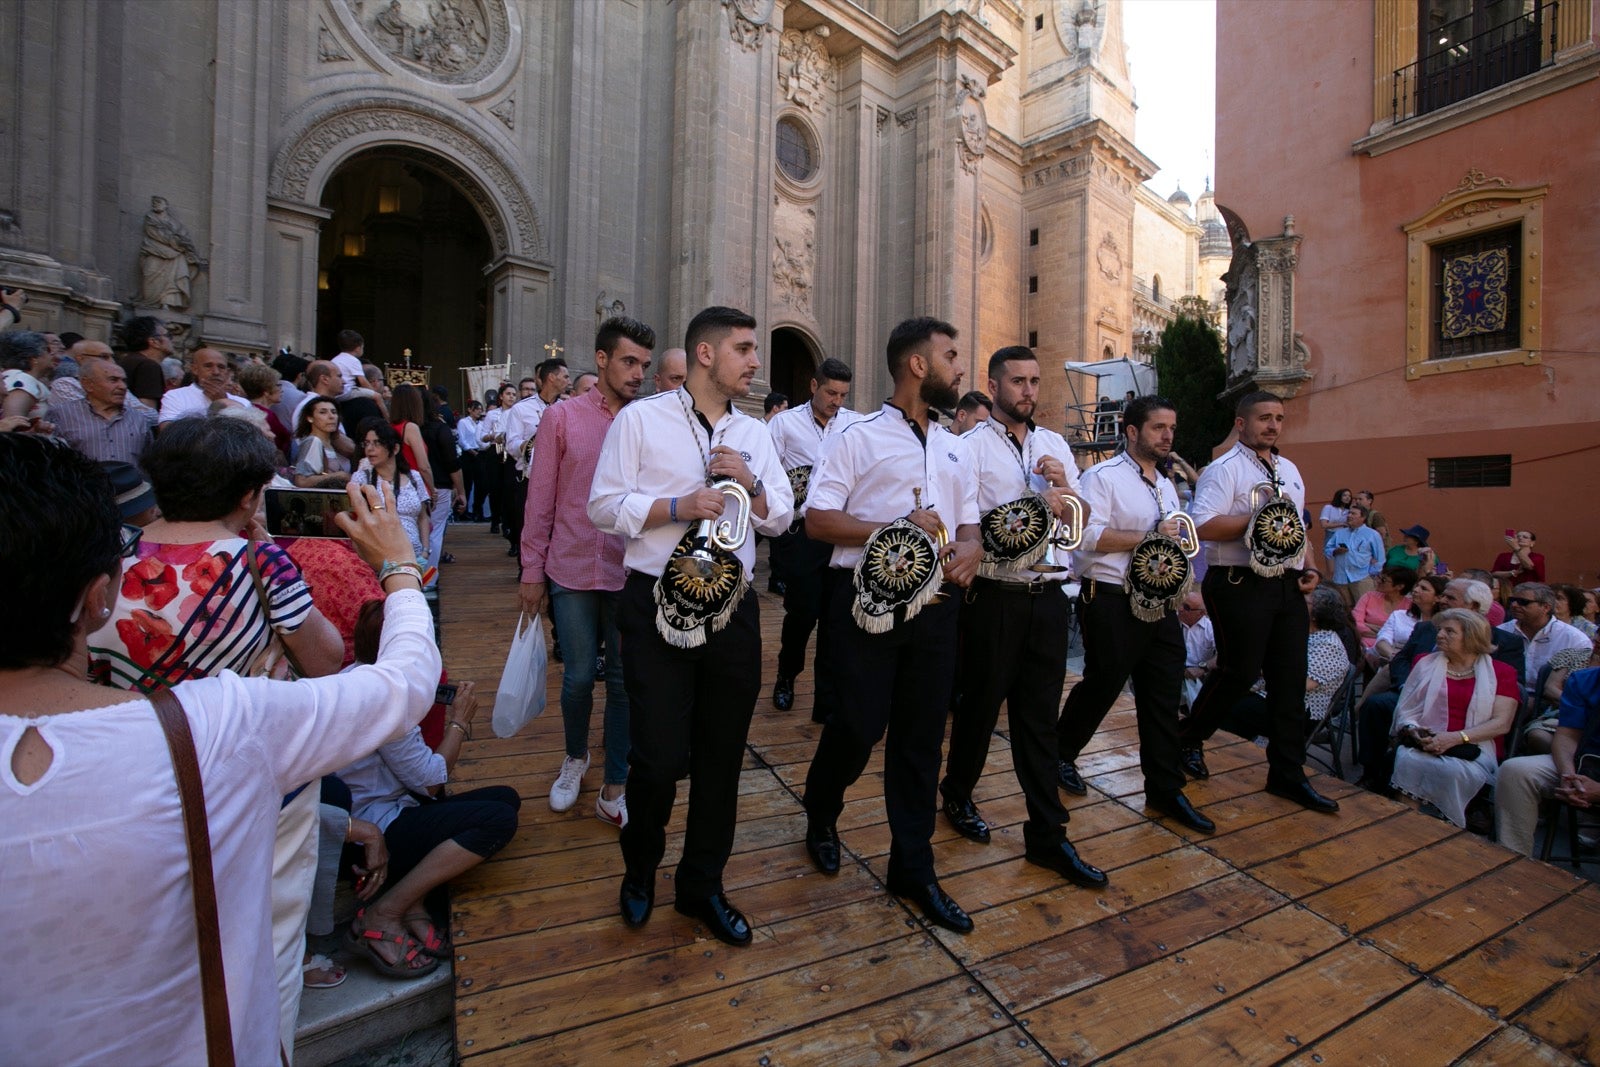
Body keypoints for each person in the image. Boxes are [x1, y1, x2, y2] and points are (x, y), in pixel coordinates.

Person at [0, 436, 437, 1064]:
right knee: (269, 938)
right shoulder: (258, 580)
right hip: (223, 764)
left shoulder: (126, 555)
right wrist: (398, 565)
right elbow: (337, 662)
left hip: (124, 749)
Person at [588, 306, 792, 946]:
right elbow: (602, 506)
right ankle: (640, 872)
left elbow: (781, 516)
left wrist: (750, 482)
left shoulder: (756, 432)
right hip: (654, 602)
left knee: (722, 757)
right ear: (705, 355)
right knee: (655, 757)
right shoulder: (641, 419)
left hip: (732, 606)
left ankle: (702, 885)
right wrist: (679, 505)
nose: (755, 361)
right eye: (744, 349)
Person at [801, 316, 984, 934]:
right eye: (951, 356)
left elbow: (969, 522)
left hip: (938, 614)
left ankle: (914, 867)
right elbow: (819, 520)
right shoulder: (857, 437)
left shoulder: (956, 444)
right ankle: (821, 811)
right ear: (917, 365)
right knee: (857, 727)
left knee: (920, 742)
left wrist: (973, 547)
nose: (961, 367)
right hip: (867, 607)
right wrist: (894, 530)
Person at [944, 348, 1104, 867]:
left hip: (1050, 597)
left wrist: (1062, 486)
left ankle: (1048, 836)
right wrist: (1036, 505)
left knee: (1039, 719)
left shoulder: (1054, 443)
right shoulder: (968, 448)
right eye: (1018, 382)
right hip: (995, 596)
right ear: (994, 387)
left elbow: (1079, 522)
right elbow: (968, 528)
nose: (1029, 392)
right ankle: (957, 792)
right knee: (981, 704)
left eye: (1035, 381)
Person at [1057, 394, 1214, 838]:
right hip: (1109, 597)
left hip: (1160, 601)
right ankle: (1060, 752)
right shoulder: (1102, 477)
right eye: (1158, 428)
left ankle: (1164, 788)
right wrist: (1148, 535)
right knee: (1103, 685)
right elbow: (1084, 538)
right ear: (1131, 432)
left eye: (1171, 429)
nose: (1167, 436)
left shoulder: (1165, 484)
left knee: (1163, 695)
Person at [1176, 391, 1339, 813]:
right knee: (1238, 670)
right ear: (1241, 423)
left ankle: (1287, 773)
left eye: (1279, 418)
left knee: (1289, 677)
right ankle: (1187, 738)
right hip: (1237, 580)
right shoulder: (1223, 469)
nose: (1273, 425)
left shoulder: (1289, 469)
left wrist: (1311, 566)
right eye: (1264, 417)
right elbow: (1202, 525)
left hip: (1284, 583)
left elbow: (1296, 527)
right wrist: (1257, 521)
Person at [337, 603, 519, 977]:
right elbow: (432, 780)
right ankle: (385, 912)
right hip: (371, 833)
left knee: (506, 798)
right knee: (497, 820)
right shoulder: (386, 701)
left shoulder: (358, 675)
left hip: (385, 808)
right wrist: (459, 723)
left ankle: (416, 901)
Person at [523, 317, 655, 826]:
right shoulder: (561, 418)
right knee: (578, 677)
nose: (638, 373)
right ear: (601, 359)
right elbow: (541, 499)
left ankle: (616, 779)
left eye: (644, 364)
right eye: (629, 361)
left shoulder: (646, 421)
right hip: (572, 565)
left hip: (628, 568)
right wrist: (532, 570)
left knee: (623, 681)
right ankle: (575, 758)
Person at [1356, 578, 1525, 792]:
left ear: (1473, 606)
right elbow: (1401, 660)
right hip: (1414, 694)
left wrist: (1456, 738)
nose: (1442, 600)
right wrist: (1408, 689)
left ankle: (1470, 805)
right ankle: (1371, 774)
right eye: (1443, 595)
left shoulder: (1505, 648)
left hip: (1471, 718)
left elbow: (1503, 712)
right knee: (1377, 705)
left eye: (1450, 597)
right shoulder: (1427, 629)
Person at [765, 357, 860, 715]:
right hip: (802, 535)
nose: (837, 400)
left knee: (837, 619)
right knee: (802, 615)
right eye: (831, 392)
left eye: (843, 394)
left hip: (840, 533)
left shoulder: (855, 424)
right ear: (813, 386)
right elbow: (769, 471)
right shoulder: (784, 425)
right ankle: (786, 676)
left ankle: (826, 697)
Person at [1389, 609, 1519, 827]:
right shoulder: (1425, 662)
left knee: (1453, 770)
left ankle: (1445, 831)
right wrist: (1413, 729)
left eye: (1450, 631)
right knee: (1408, 758)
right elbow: (1407, 708)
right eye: (1440, 630)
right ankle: (1406, 828)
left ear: (1471, 636)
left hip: (1474, 746)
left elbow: (1501, 723)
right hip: (1426, 740)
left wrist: (1455, 738)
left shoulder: (1502, 672)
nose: (1440, 635)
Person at [1220, 587, 1358, 740]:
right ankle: (1236, 751)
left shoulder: (1328, 645)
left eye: (1303, 602)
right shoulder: (1298, 632)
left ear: (1316, 614)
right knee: (1224, 695)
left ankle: (1230, 754)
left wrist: (1263, 666)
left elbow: (1298, 685)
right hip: (1273, 696)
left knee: (1231, 708)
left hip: (1299, 710)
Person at [1496, 665, 1600, 855]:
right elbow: (1567, 736)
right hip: (1585, 764)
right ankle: (1512, 861)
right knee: (1516, 772)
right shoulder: (1585, 680)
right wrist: (1568, 775)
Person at [503, 358, 570, 557]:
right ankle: (528, 571)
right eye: (565, 376)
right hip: (529, 478)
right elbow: (511, 445)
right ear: (552, 378)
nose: (568, 380)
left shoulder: (569, 408)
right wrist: (535, 439)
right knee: (529, 526)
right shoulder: (521, 409)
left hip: (560, 480)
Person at [48, 355, 158, 465]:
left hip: (134, 481)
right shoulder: (61, 415)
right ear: (88, 384)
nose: (122, 386)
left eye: (124, 381)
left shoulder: (138, 418)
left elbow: (149, 461)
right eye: (113, 380)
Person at [356, 418, 431, 565]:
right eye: (367, 443)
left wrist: (425, 551)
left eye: (376, 443)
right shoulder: (361, 477)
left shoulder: (414, 477)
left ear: (395, 449)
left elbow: (423, 517)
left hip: (414, 558)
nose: (369, 449)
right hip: (378, 559)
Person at [1499, 582, 1592, 699]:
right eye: (1512, 600)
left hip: (1549, 702)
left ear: (1546, 607)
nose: (1514, 605)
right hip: (1505, 696)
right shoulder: (1501, 631)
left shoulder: (1574, 639)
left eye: (1523, 602)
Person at [418, 387, 464, 565]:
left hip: (412, 485)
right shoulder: (439, 429)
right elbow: (452, 463)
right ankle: (429, 579)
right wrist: (461, 491)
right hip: (439, 485)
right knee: (434, 532)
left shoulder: (407, 429)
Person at [157, 347, 250, 423]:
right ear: (195, 369)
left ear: (227, 372)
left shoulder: (243, 403)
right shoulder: (175, 396)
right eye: (208, 366)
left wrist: (223, 402)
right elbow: (167, 433)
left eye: (221, 367)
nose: (216, 372)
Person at [1373, 573, 1446, 663]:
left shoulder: (1443, 623)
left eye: (1423, 589)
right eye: (1417, 586)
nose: (1415, 590)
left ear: (1438, 598)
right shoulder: (1399, 615)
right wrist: (1394, 656)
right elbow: (1382, 640)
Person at [1324, 503, 1384, 603]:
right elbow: (1327, 549)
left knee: (1364, 608)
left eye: (1353, 514)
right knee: (1344, 610)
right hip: (1340, 578)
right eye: (1349, 513)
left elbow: (1380, 558)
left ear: (1363, 517)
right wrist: (1335, 551)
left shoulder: (1372, 534)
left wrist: (1371, 573)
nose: (1349, 516)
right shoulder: (1339, 533)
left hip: (1362, 578)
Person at [237, 362, 294, 459]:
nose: (281, 389)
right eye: (277, 385)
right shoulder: (266, 416)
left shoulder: (247, 410)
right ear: (266, 392)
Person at [482, 382, 519, 535]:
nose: (511, 397)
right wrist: (493, 436)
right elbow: (482, 437)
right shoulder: (492, 414)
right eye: (508, 394)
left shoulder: (518, 412)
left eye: (514, 394)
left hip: (510, 452)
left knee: (508, 487)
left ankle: (507, 522)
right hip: (495, 451)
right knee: (495, 487)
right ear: (501, 396)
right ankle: (495, 519)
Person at [292, 396, 353, 486]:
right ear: (310, 418)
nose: (331, 416)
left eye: (334, 412)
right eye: (323, 412)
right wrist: (339, 476)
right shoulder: (313, 441)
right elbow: (302, 481)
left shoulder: (331, 444)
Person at [1353, 566, 1415, 652]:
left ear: (1400, 586)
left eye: (1384, 580)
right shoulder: (1369, 597)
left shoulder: (1410, 606)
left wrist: (1367, 624)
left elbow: (1405, 634)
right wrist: (1385, 633)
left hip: (1391, 649)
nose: (1378, 581)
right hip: (1363, 645)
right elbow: (1354, 623)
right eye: (1379, 577)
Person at [1, 329, 56, 423]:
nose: (53, 354)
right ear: (34, 358)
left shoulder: (11, 376)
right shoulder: (23, 381)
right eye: (47, 350)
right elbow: (12, 423)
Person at [118, 315, 172, 409]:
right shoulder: (148, 366)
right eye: (168, 336)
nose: (171, 340)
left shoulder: (129, 360)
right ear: (154, 342)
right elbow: (147, 410)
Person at [1178, 590, 1216, 712]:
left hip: (1199, 678)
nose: (1181, 609)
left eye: (1187, 607)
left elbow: (1223, 655)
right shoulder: (1173, 622)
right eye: (1181, 604)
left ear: (1201, 613)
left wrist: (1202, 668)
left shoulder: (1210, 629)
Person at [456, 399, 489, 520]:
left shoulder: (481, 424)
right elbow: (462, 439)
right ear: (470, 409)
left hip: (480, 453)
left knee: (481, 484)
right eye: (476, 409)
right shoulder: (463, 422)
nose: (479, 412)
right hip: (468, 455)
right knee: (467, 483)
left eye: (480, 410)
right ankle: (462, 511)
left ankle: (477, 510)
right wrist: (471, 451)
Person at [1318, 488, 1351, 571]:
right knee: (1331, 568)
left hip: (1344, 538)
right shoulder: (1329, 507)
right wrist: (1342, 524)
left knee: (1342, 566)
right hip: (1331, 535)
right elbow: (1324, 524)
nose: (1347, 497)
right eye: (1345, 495)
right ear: (1339, 496)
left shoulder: (1349, 511)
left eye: (1349, 496)